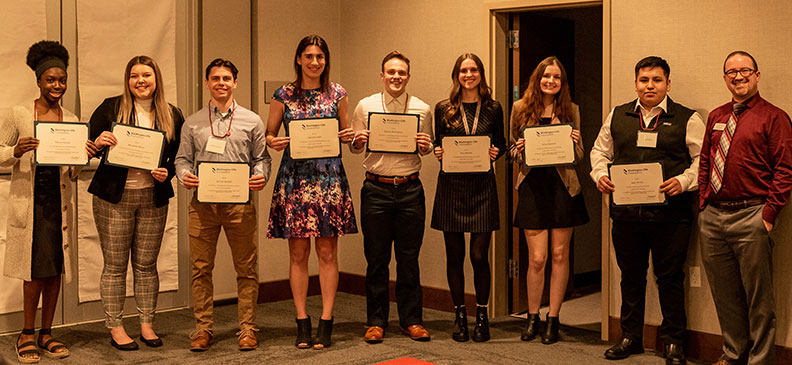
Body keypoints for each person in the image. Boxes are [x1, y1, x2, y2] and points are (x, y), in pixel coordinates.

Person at [590, 56, 704, 365]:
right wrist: (600, 175)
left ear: (668, 83)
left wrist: (683, 181)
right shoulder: (618, 115)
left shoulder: (688, 118)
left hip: (672, 215)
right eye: (644, 80)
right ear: (636, 83)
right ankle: (630, 338)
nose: (649, 85)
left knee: (670, 279)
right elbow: (600, 151)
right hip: (627, 215)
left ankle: (673, 342)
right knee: (630, 276)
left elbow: (701, 160)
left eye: (656, 80)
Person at [1, 40, 96, 363]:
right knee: (34, 270)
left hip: (59, 204)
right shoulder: (17, 114)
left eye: (62, 80)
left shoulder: (70, 118)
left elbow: (72, 168)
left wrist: (83, 156)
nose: (57, 86)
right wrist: (14, 151)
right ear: (39, 80)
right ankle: (26, 332)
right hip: (31, 204)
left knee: (54, 268)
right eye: (51, 80)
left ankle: (47, 332)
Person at [698, 51, 792, 365]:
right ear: (725, 77)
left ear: (757, 75)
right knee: (725, 297)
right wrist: (702, 205)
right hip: (714, 218)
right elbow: (705, 163)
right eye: (731, 72)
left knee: (758, 299)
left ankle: (760, 360)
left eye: (745, 70)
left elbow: (785, 170)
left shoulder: (774, 116)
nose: (738, 76)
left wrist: (768, 216)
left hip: (752, 215)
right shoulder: (716, 115)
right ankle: (733, 353)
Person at [265, 34, 357, 350]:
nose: (314, 62)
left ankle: (327, 321)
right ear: (299, 60)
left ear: (325, 60)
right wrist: (271, 142)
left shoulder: (338, 93)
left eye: (320, 56)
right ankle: (302, 320)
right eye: (309, 56)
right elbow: (269, 134)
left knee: (328, 253)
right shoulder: (284, 94)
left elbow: (348, 138)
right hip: (295, 180)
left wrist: (352, 138)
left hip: (329, 180)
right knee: (298, 254)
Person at [87, 55, 183, 351]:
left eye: (146, 75)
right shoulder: (110, 107)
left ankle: (146, 323)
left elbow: (179, 158)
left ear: (157, 80)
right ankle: (115, 326)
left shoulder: (172, 113)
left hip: (152, 198)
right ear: (127, 80)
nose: (140, 81)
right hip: (114, 199)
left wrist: (169, 172)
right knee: (115, 266)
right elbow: (85, 149)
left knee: (146, 265)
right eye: (134, 76)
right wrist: (98, 143)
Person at [175, 58, 270, 352]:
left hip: (239, 206)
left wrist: (260, 176)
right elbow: (182, 159)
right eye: (215, 78)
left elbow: (261, 158)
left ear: (235, 83)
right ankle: (203, 329)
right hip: (202, 206)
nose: (221, 83)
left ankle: (247, 328)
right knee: (201, 269)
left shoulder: (252, 120)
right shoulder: (193, 122)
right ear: (207, 83)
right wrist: (184, 176)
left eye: (226, 78)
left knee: (247, 269)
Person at [349, 51, 434, 344]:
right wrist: (358, 143)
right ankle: (376, 321)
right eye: (391, 72)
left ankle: (412, 320)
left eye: (401, 73)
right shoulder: (365, 105)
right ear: (382, 75)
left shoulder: (422, 109)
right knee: (376, 259)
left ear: (408, 76)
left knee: (409, 259)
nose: (396, 77)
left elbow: (427, 148)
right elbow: (356, 148)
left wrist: (426, 146)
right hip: (376, 189)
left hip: (410, 189)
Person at [510, 56, 588, 345]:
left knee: (559, 256)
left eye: (556, 77)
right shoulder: (520, 108)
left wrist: (573, 144)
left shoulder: (572, 109)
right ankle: (533, 317)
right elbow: (512, 154)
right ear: (538, 79)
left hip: (563, 189)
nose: (551, 81)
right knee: (538, 258)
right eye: (546, 76)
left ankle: (553, 318)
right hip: (532, 188)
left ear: (561, 82)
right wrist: (520, 148)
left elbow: (579, 156)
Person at [431, 53, 505, 343]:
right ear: (456, 75)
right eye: (463, 70)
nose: (469, 74)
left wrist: (495, 152)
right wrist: (438, 152)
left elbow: (500, 143)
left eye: (473, 70)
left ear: (481, 74)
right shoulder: (444, 108)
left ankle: (482, 316)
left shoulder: (493, 108)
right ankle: (460, 316)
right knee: (454, 256)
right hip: (451, 188)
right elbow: (440, 144)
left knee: (478, 256)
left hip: (482, 189)